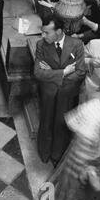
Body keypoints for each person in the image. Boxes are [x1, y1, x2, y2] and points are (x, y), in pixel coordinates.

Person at [36, 78, 100, 200]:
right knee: (71, 194)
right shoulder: (94, 109)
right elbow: (83, 143)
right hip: (82, 162)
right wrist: (90, 169)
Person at [34, 15, 86, 166]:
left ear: (59, 31)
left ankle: (57, 155)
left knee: (61, 125)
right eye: (42, 32)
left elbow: (80, 72)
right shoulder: (41, 45)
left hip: (67, 94)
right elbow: (37, 72)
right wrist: (63, 72)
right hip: (48, 93)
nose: (43, 36)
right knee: (46, 122)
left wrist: (52, 72)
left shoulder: (76, 45)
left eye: (47, 32)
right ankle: (44, 152)